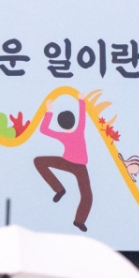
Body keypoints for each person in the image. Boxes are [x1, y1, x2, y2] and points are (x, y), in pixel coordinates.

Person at [34, 95, 93, 232]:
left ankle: (78, 219)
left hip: (73, 165)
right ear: (73, 121)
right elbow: (82, 117)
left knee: (39, 161)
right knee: (87, 195)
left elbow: (44, 130)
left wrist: (49, 111)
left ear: (60, 124)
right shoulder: (79, 130)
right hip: (72, 164)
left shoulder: (64, 135)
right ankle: (60, 190)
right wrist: (81, 100)